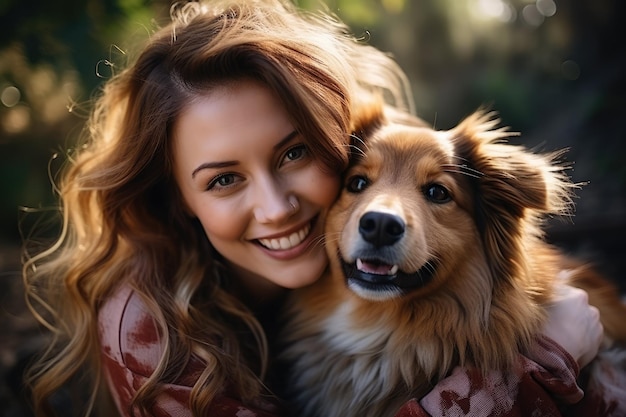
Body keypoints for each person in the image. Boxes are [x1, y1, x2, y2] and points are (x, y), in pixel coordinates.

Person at [22, 1, 606, 416]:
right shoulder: (145, 331)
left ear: (332, 140)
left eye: (295, 152)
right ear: (178, 199)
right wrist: (537, 369)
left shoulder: (383, 159)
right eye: (224, 179)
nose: (276, 208)